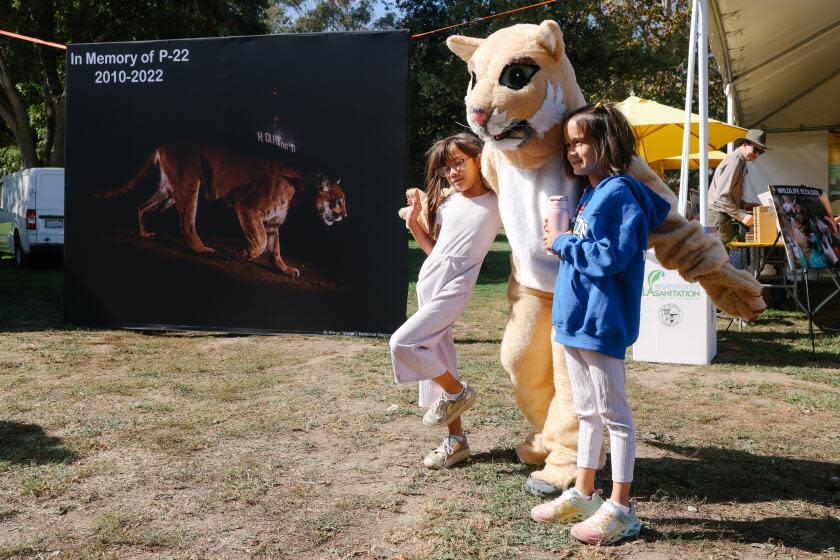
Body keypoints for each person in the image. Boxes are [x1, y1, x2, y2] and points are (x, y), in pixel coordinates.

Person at [532, 103, 670, 545]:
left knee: (615, 416)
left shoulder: (621, 194)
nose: (572, 151)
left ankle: (622, 508)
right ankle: (585, 491)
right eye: (568, 144)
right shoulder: (592, 194)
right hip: (575, 321)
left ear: (608, 142)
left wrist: (565, 241)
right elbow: (587, 250)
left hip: (602, 322)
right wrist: (563, 242)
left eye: (581, 141)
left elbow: (611, 256)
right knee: (587, 412)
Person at [389, 133, 502, 470]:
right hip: (430, 284)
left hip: (453, 288)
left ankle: (457, 392)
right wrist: (414, 225)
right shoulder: (449, 203)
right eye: (447, 167)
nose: (453, 172)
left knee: (402, 344)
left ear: (480, 159)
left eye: (459, 163)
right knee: (441, 357)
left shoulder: (498, 202)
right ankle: (456, 442)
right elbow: (435, 251)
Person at [708, 129, 768, 246]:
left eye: (760, 152)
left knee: (714, 257)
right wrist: (742, 216)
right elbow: (721, 197)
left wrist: (744, 205)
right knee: (717, 259)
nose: (756, 155)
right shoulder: (735, 161)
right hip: (717, 218)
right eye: (755, 150)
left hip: (717, 217)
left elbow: (726, 194)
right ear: (744, 144)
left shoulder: (739, 160)